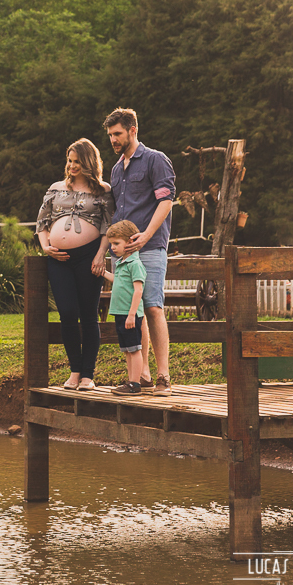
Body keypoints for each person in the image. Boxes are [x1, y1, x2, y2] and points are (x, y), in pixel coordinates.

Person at [98, 107, 176, 397]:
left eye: (117, 134)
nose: (113, 140)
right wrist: (106, 250)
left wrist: (146, 236)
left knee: (153, 307)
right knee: (134, 311)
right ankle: (140, 375)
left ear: (133, 130)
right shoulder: (117, 169)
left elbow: (166, 202)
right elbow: (117, 213)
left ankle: (163, 376)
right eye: (110, 135)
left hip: (151, 246)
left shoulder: (156, 160)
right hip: (122, 254)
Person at [36, 138, 115, 391]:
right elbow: (42, 221)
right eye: (70, 161)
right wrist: (45, 246)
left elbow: (108, 226)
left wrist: (100, 254)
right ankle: (74, 370)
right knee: (67, 313)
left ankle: (87, 375)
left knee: (89, 315)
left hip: (89, 256)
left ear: (89, 162)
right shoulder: (56, 188)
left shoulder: (103, 190)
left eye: (77, 162)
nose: (72, 166)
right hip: (58, 259)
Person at [103, 220, 148, 395]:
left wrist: (131, 315)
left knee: (135, 348)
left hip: (131, 314)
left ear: (130, 242)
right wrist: (105, 274)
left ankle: (135, 384)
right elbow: (119, 281)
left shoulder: (135, 264)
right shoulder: (122, 262)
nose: (112, 247)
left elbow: (138, 291)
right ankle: (131, 381)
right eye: (111, 244)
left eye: (116, 243)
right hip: (120, 313)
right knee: (127, 349)